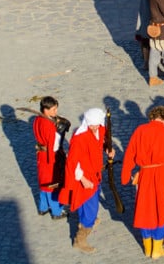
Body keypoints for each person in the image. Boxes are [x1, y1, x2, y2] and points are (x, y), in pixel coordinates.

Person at [121, 105, 164, 259]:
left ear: (151, 117)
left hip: (145, 175)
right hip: (163, 175)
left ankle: (147, 247)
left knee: (145, 210)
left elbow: (130, 154)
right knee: (161, 209)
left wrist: (125, 176)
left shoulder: (140, 131)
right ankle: (157, 250)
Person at [60, 108, 114, 254]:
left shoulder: (100, 129)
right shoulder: (79, 138)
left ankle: (87, 221)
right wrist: (83, 179)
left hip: (95, 175)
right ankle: (80, 239)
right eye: (92, 125)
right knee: (90, 207)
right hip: (85, 177)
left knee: (90, 201)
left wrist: (108, 150)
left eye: (97, 124)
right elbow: (73, 163)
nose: (95, 127)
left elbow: (102, 143)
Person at [32, 96, 67, 220]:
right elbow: (53, 145)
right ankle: (57, 212)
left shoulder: (37, 120)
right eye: (53, 109)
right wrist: (55, 161)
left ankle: (43, 207)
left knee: (43, 183)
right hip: (50, 158)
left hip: (41, 155)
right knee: (52, 185)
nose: (55, 112)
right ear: (45, 110)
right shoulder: (48, 125)